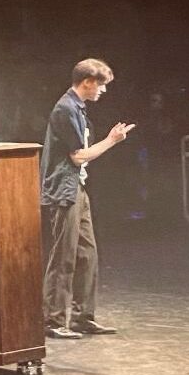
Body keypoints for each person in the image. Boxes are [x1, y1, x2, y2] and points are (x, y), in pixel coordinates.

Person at [41, 58, 135, 339]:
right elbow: (78, 155)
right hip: (63, 190)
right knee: (64, 256)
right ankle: (53, 320)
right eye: (102, 85)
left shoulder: (78, 109)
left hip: (76, 188)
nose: (103, 91)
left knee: (87, 254)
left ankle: (83, 316)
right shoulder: (65, 109)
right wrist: (111, 140)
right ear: (88, 82)